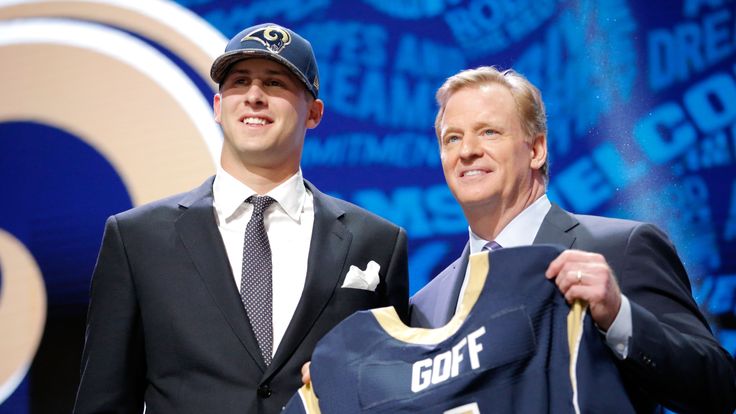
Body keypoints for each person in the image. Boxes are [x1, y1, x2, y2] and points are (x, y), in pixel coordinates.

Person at [73, 23, 408, 414]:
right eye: (239, 81)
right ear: (218, 107)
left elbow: (394, 396)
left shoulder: (377, 242)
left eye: (275, 83)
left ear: (314, 113)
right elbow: (104, 401)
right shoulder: (136, 239)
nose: (254, 96)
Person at [409, 66, 736, 413]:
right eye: (452, 138)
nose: (467, 150)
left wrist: (618, 316)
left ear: (536, 149)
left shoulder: (622, 249)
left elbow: (717, 388)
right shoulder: (426, 307)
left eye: (488, 132)